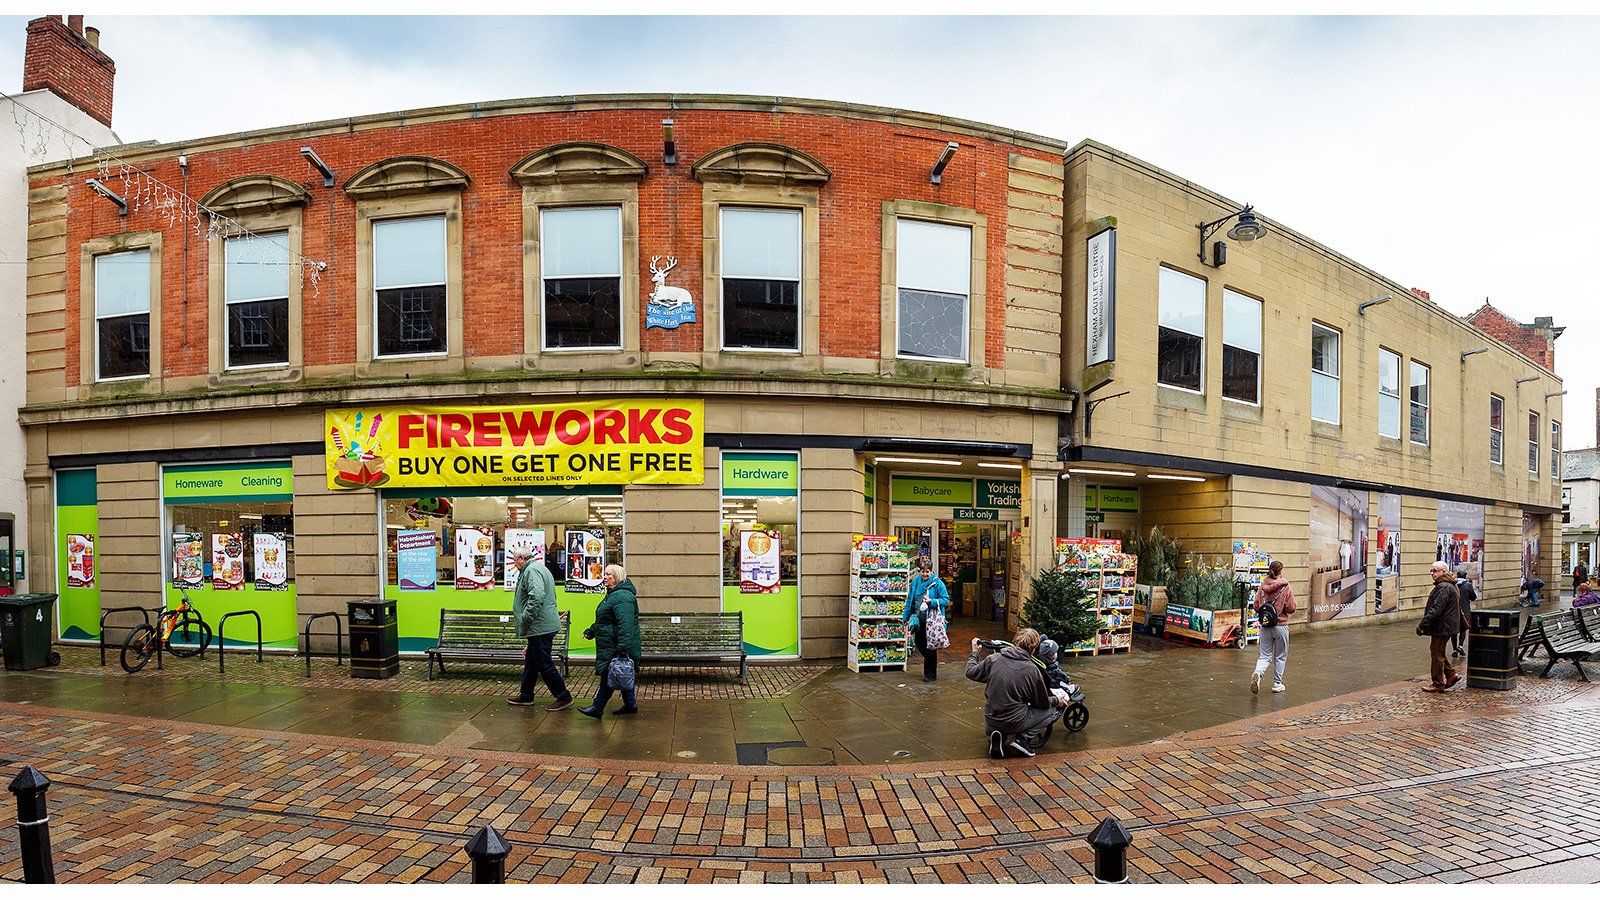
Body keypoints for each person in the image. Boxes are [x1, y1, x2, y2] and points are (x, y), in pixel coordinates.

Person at [965, 628, 1066, 759]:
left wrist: (975, 653)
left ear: (1015, 642)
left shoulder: (994, 659)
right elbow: (1041, 702)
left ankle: (995, 737)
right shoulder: (1032, 670)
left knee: (1000, 720)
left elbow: (970, 671)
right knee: (1051, 710)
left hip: (991, 718)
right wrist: (1056, 700)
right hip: (1015, 721)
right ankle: (1022, 740)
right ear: (1033, 649)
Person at [508, 549, 574, 711]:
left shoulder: (531, 570)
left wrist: (526, 617)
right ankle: (526, 695)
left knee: (544, 663)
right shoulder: (539, 567)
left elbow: (537, 595)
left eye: (515, 561)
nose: (515, 565)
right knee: (532, 661)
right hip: (541, 625)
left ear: (522, 558)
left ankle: (563, 696)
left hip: (539, 626)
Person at [579, 564, 641, 718]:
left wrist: (622, 648)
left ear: (617, 577)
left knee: (610, 674)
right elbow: (605, 620)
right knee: (622, 673)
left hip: (616, 645)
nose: (605, 577)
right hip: (612, 643)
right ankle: (630, 704)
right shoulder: (613, 595)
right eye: (604, 574)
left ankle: (598, 707)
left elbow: (626, 626)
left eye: (609, 575)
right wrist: (591, 631)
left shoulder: (622, 597)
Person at [1249, 560, 1297, 695]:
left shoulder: (1262, 586)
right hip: (1281, 626)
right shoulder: (1286, 587)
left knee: (1265, 655)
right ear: (1280, 572)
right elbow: (1291, 608)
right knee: (1280, 655)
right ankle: (1277, 683)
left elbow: (1256, 606)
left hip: (1265, 625)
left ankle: (1258, 673)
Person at [902, 559, 951, 682]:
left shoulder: (937, 583)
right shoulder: (915, 582)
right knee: (919, 643)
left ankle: (930, 675)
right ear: (920, 571)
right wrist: (905, 617)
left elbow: (946, 600)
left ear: (932, 571)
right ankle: (930, 663)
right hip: (918, 620)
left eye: (927, 572)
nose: (925, 574)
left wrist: (932, 602)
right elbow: (910, 601)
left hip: (932, 621)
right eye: (923, 572)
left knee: (930, 648)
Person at [1418, 562, 1463, 692]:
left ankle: (1438, 683)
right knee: (1438, 651)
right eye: (1431, 571)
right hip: (1445, 626)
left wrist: (1422, 625)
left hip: (1442, 626)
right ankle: (1451, 674)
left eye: (1435, 571)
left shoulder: (1444, 587)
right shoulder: (1448, 584)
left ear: (1443, 572)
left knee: (1437, 654)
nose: (1432, 573)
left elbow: (1436, 609)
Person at [1451, 569, 1476, 659]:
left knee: (1454, 631)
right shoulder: (1468, 586)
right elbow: (1474, 597)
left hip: (1453, 611)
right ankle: (1460, 646)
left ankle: (1454, 650)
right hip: (1464, 611)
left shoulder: (1453, 585)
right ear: (1465, 577)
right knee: (1463, 629)